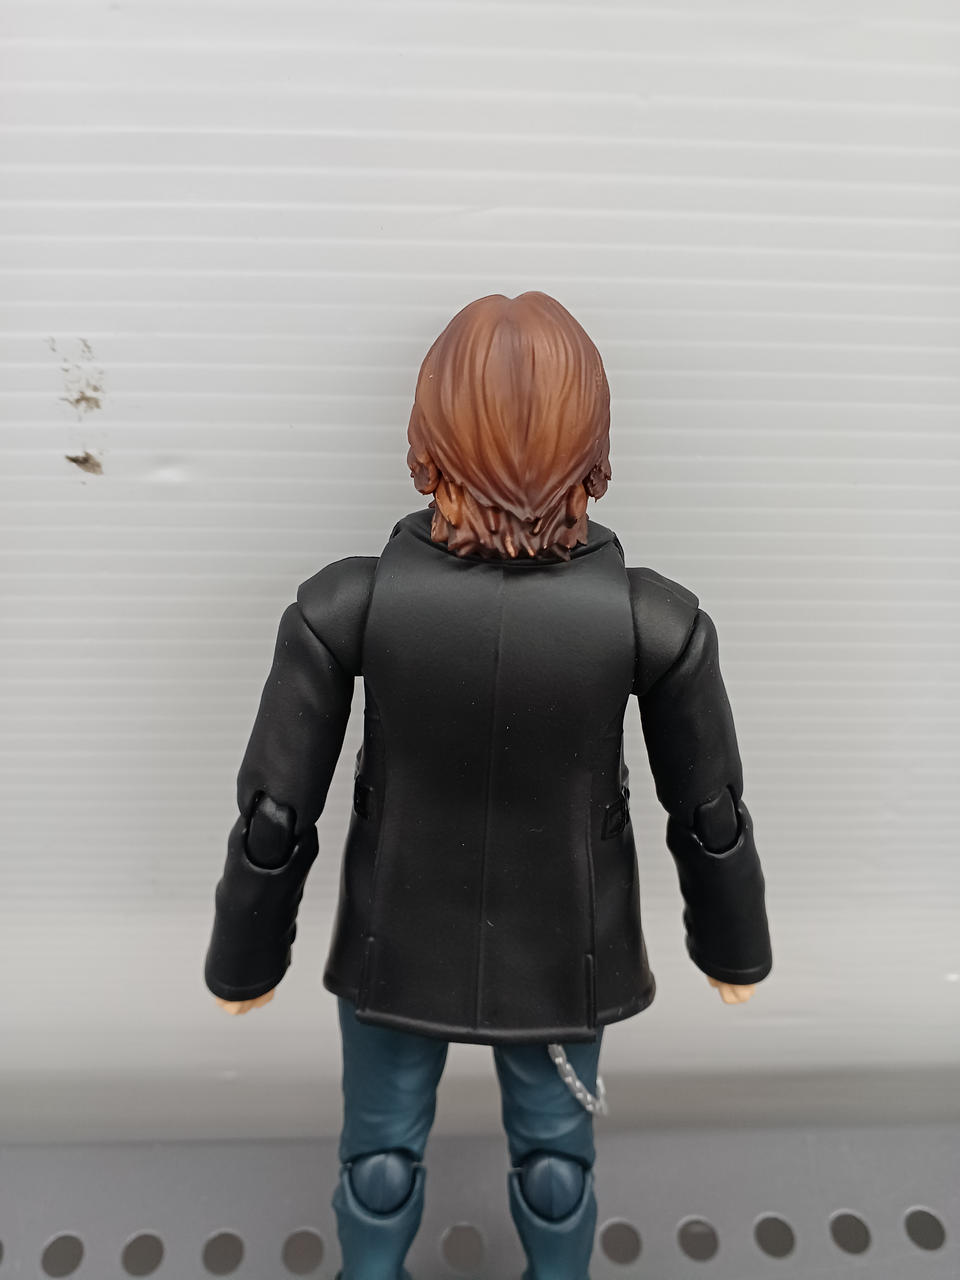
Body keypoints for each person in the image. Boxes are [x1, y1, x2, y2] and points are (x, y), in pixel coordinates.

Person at [205, 292, 772, 1280]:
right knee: (555, 1162)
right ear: (594, 449)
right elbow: (709, 812)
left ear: (427, 444)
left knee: (380, 1157)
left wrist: (245, 957)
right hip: (567, 947)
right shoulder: (654, 622)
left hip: (395, 938)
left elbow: (274, 816)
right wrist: (734, 946)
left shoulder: (347, 606)